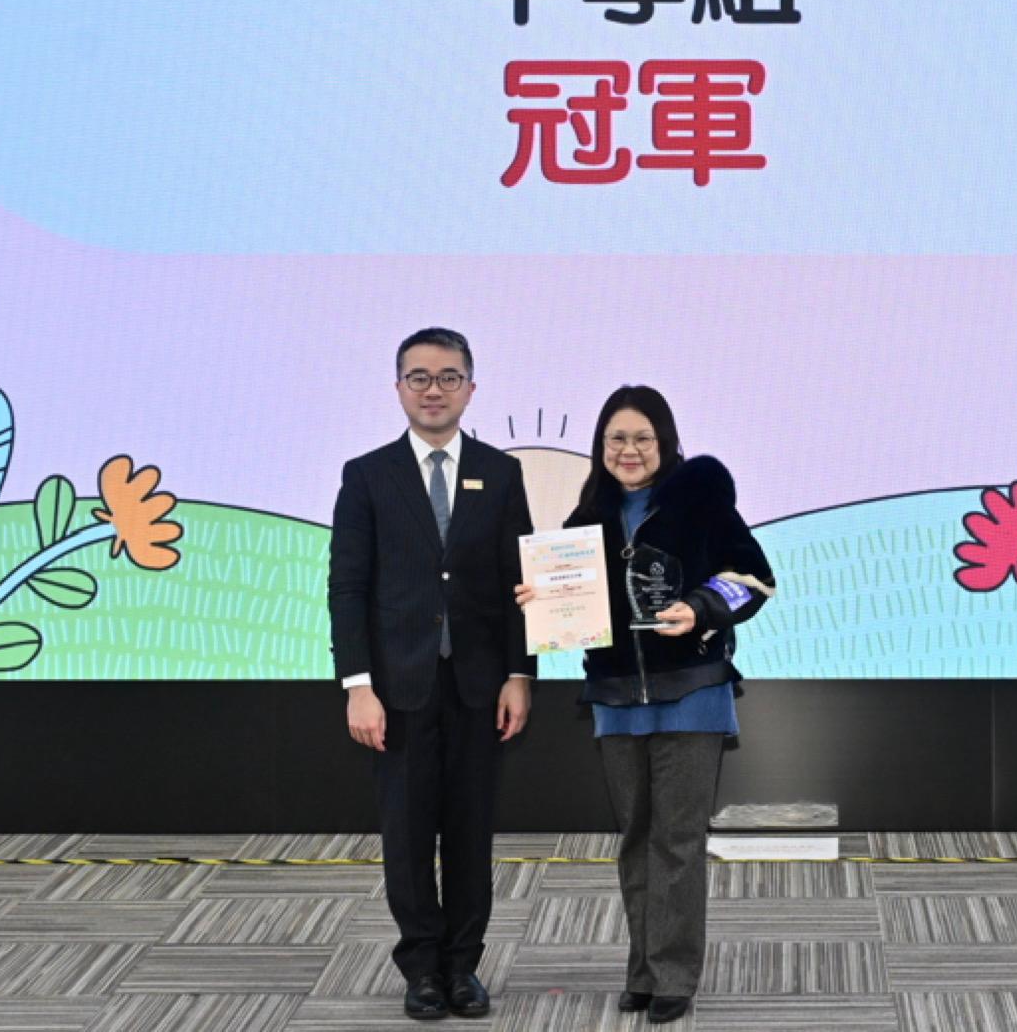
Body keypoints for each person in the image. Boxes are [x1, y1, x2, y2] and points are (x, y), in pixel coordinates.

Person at [515, 385, 774, 1024]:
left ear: (665, 442)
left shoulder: (702, 501)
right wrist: (541, 602)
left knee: (677, 839)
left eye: (641, 438)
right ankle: (645, 969)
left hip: (693, 694)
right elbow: (577, 611)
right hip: (615, 699)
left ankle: (675, 975)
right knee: (635, 838)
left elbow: (754, 580)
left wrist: (701, 607)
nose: (628, 451)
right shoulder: (585, 520)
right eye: (616, 439)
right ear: (600, 446)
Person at [328, 328, 536, 1021]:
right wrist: (358, 684)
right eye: (418, 377)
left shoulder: (500, 472)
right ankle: (421, 969)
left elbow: (518, 580)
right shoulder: (367, 474)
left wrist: (519, 673)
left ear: (471, 389)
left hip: (480, 686)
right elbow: (348, 587)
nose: (433, 389)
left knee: (470, 833)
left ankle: (463, 967)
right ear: (398, 388)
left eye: (448, 377)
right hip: (397, 690)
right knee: (409, 834)